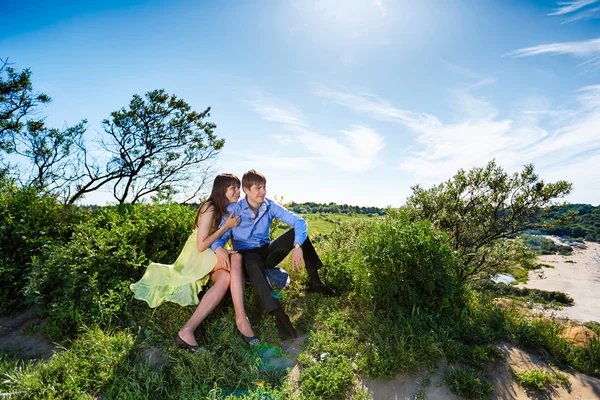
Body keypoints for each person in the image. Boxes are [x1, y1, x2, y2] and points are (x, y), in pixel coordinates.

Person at [130, 173, 259, 352]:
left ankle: (187, 331)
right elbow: (200, 245)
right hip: (197, 254)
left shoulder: (227, 209)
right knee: (236, 258)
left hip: (211, 252)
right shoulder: (210, 207)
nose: (238, 191)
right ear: (222, 190)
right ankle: (241, 319)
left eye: (238, 188)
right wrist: (226, 227)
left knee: (225, 279)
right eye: (233, 188)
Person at [211, 169, 337, 340]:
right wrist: (218, 248)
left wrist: (298, 245)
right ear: (246, 190)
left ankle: (316, 283)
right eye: (258, 188)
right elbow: (219, 237)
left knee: (298, 233)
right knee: (252, 261)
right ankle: (279, 316)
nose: (263, 192)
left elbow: (299, 221)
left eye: (264, 187)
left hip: (266, 252)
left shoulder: (269, 205)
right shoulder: (234, 210)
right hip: (246, 257)